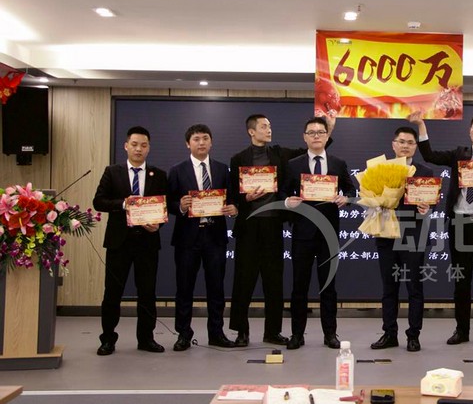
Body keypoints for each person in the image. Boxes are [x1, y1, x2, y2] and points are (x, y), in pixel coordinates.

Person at [408, 111, 473, 347]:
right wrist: (421, 125)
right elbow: (430, 155)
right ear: (469, 130)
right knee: (461, 281)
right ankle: (462, 330)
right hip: (460, 224)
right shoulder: (459, 154)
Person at [228, 114, 334, 347]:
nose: (269, 130)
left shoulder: (280, 154)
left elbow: (312, 149)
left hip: (273, 225)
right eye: (264, 126)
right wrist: (245, 198)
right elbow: (232, 194)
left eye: (270, 126)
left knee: (274, 281)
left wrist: (329, 131)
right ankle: (241, 331)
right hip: (248, 227)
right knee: (243, 280)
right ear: (251, 131)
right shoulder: (238, 159)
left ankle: (273, 331)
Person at [281, 117, 356, 350]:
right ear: (304, 137)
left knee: (328, 286)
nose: (316, 136)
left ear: (326, 136)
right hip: (302, 233)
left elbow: (351, 189)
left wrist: (346, 198)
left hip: (328, 234)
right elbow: (282, 192)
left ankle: (330, 334)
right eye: (311, 132)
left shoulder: (338, 163)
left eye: (320, 132)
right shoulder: (293, 164)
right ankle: (297, 334)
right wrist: (287, 201)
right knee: (299, 287)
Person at [93, 126, 168, 356]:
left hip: (147, 242)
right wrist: (124, 204)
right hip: (119, 242)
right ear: (126, 146)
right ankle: (108, 339)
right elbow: (99, 202)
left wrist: (158, 225)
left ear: (149, 148)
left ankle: (146, 338)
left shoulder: (158, 174)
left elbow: (162, 209)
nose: (138, 149)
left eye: (143, 145)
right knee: (112, 293)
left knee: (147, 292)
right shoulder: (112, 172)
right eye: (134, 145)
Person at [167, 124, 238, 351]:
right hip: (187, 239)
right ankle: (183, 334)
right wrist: (180, 205)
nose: (201, 143)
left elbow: (232, 199)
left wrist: (233, 209)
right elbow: (167, 202)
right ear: (188, 144)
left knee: (216, 288)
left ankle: (216, 333)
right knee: (184, 288)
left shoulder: (222, 169)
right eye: (196, 139)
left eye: (205, 138)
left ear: (211, 142)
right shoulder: (177, 170)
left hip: (215, 237)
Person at [370, 126, 433, 353]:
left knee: (414, 287)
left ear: (415, 146)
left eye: (410, 142)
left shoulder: (425, 171)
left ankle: (413, 335)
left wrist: (427, 208)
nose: (405, 146)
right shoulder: (380, 169)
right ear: (393, 144)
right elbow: (369, 197)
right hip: (387, 235)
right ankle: (389, 333)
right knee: (389, 288)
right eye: (401, 141)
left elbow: (431, 201)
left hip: (413, 236)